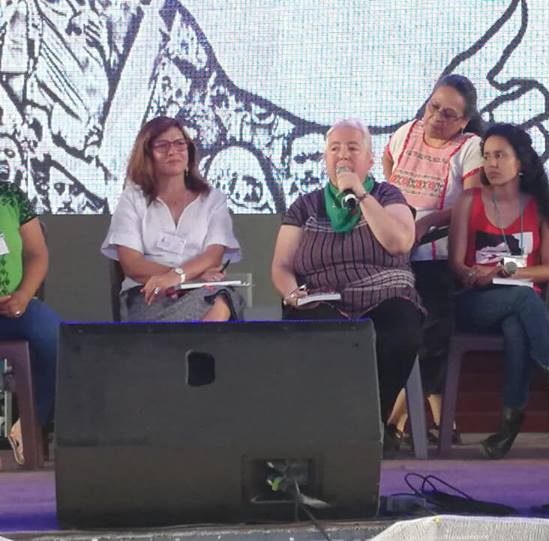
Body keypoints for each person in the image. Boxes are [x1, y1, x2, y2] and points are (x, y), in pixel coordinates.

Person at [271, 118, 423, 450]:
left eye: (353, 148)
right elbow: (281, 266)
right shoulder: (306, 206)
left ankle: (371, 424)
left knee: (400, 333)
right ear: (325, 158)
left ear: (369, 159)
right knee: (317, 336)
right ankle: (329, 430)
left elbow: (399, 243)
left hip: (385, 295)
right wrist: (292, 293)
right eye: (334, 149)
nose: (342, 155)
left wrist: (362, 195)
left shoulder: (387, 195)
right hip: (322, 298)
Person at [448, 123, 549, 460]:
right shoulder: (469, 200)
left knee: (518, 325)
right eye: (487, 156)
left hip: (521, 302)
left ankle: (508, 425)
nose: (491, 163)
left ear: (521, 161)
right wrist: (474, 274)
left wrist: (504, 270)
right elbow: (456, 263)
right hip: (476, 302)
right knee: (526, 299)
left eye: (500, 155)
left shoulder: (541, 208)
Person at [383, 74, 485, 444]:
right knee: (398, 335)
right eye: (434, 107)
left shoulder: (469, 147)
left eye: (449, 114)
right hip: (395, 256)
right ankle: (444, 425)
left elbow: (471, 202)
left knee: (431, 338)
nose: (437, 117)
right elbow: (388, 163)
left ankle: (391, 422)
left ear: (464, 121)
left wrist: (427, 221)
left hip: (436, 257)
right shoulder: (406, 132)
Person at [101, 116, 244, 322]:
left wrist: (178, 277)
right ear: (147, 155)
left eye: (179, 144)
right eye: (162, 145)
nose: (172, 151)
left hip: (201, 288)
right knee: (218, 304)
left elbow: (213, 257)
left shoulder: (213, 199)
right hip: (148, 292)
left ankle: (193, 343)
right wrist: (176, 277)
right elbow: (132, 264)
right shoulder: (132, 199)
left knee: (222, 300)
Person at [0, 180, 60, 466]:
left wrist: (23, 296)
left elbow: (37, 254)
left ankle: (30, 424)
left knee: (59, 340)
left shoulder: (10, 195)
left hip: (13, 309)